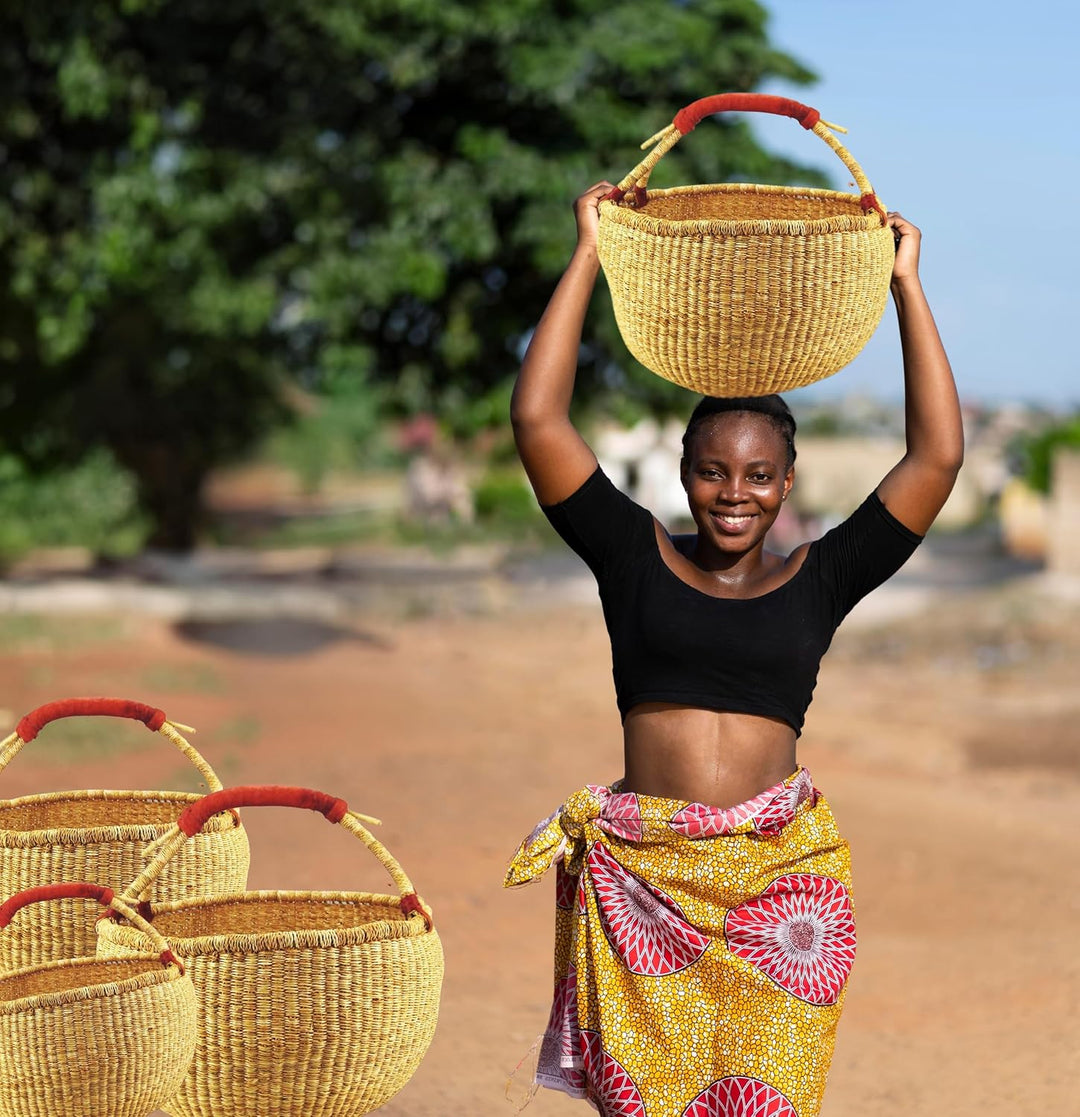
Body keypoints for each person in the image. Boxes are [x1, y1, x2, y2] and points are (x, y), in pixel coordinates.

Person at [503, 181, 963, 1117]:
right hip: (647, 886)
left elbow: (936, 460)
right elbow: (538, 421)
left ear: (789, 479)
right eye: (712, 470)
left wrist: (908, 288)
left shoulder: (823, 578)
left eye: (758, 473)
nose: (734, 492)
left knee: (768, 1102)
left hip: (776, 888)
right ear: (683, 473)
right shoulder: (633, 558)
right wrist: (588, 251)